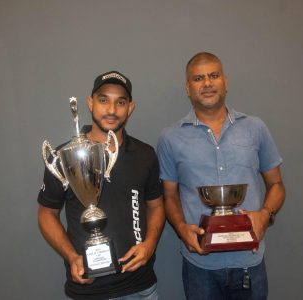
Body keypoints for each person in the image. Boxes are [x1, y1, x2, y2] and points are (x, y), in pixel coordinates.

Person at [157, 52, 285, 300]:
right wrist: (182, 228)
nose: (207, 83)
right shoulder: (170, 137)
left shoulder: (255, 128)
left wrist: (264, 215)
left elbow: (277, 184)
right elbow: (169, 195)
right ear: (188, 88)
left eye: (214, 76)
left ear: (225, 81)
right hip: (199, 267)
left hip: (249, 262)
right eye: (198, 78)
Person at [38, 71, 165, 300]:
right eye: (103, 99)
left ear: (130, 107)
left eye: (121, 102)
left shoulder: (145, 154)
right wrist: (72, 257)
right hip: (90, 289)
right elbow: (47, 214)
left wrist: (149, 244)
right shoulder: (64, 157)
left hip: (141, 287)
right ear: (90, 102)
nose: (112, 109)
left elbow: (156, 206)